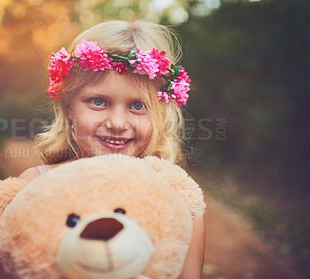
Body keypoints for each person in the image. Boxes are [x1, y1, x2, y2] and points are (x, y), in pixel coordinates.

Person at [19, 20, 205, 279]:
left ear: (161, 114)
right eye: (98, 101)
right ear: (69, 107)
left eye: (138, 106)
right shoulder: (34, 186)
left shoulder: (180, 202)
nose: (117, 123)